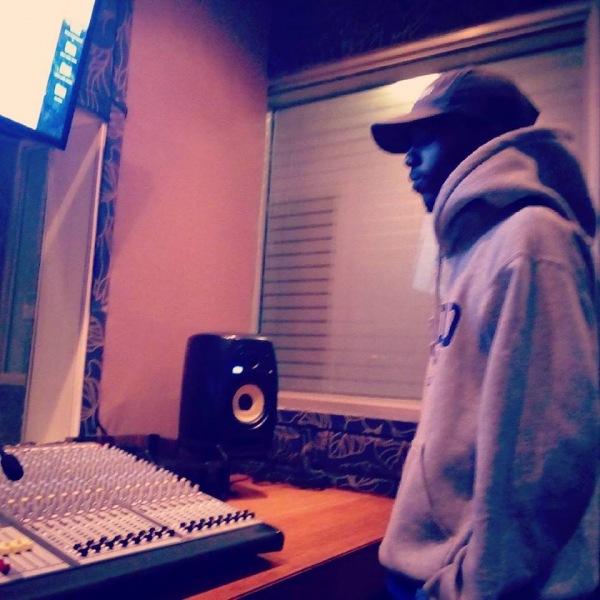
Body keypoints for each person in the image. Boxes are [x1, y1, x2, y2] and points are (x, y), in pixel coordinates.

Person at [370, 67, 599, 600]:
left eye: (426, 136)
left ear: (482, 136)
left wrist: (473, 587)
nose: (410, 158)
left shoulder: (531, 241)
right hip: (432, 570)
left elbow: (544, 454)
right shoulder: (473, 246)